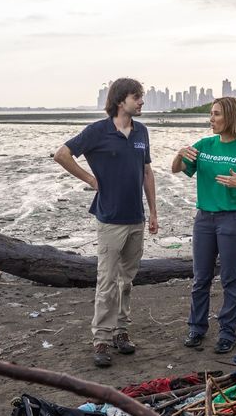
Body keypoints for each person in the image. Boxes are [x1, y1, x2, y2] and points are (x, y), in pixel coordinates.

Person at [54, 78, 158, 367]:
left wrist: (153, 212)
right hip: (110, 219)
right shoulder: (97, 131)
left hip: (136, 217)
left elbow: (147, 172)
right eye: (137, 97)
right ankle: (101, 338)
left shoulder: (141, 131)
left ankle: (121, 331)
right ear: (121, 100)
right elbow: (61, 154)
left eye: (141, 96)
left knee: (127, 281)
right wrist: (90, 180)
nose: (142, 102)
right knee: (107, 280)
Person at [171, 96, 236, 354]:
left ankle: (227, 333)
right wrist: (179, 154)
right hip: (204, 219)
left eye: (216, 114)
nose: (211, 119)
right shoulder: (204, 145)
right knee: (200, 278)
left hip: (233, 220)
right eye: (211, 114)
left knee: (230, 278)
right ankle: (196, 328)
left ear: (231, 117)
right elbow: (176, 169)